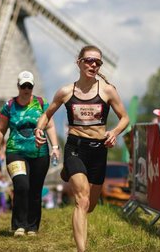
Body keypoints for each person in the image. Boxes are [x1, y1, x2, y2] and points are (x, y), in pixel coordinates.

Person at [34, 45, 129, 251]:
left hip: (98, 150)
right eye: (89, 60)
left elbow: (125, 118)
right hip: (75, 147)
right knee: (82, 201)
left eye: (98, 62)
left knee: (91, 206)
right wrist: (39, 129)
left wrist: (113, 133)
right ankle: (81, 250)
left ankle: (71, 172)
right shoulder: (66, 92)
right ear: (79, 62)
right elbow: (46, 114)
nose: (93, 64)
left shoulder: (107, 91)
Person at [0, 70, 60, 236]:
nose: (26, 89)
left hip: (39, 152)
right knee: (22, 185)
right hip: (16, 152)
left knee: (35, 190)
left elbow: (49, 126)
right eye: (23, 86)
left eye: (29, 86)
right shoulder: (9, 106)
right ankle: (19, 225)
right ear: (18, 86)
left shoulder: (42, 104)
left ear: (33, 87)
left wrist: (55, 147)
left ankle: (32, 226)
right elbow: (0, 130)